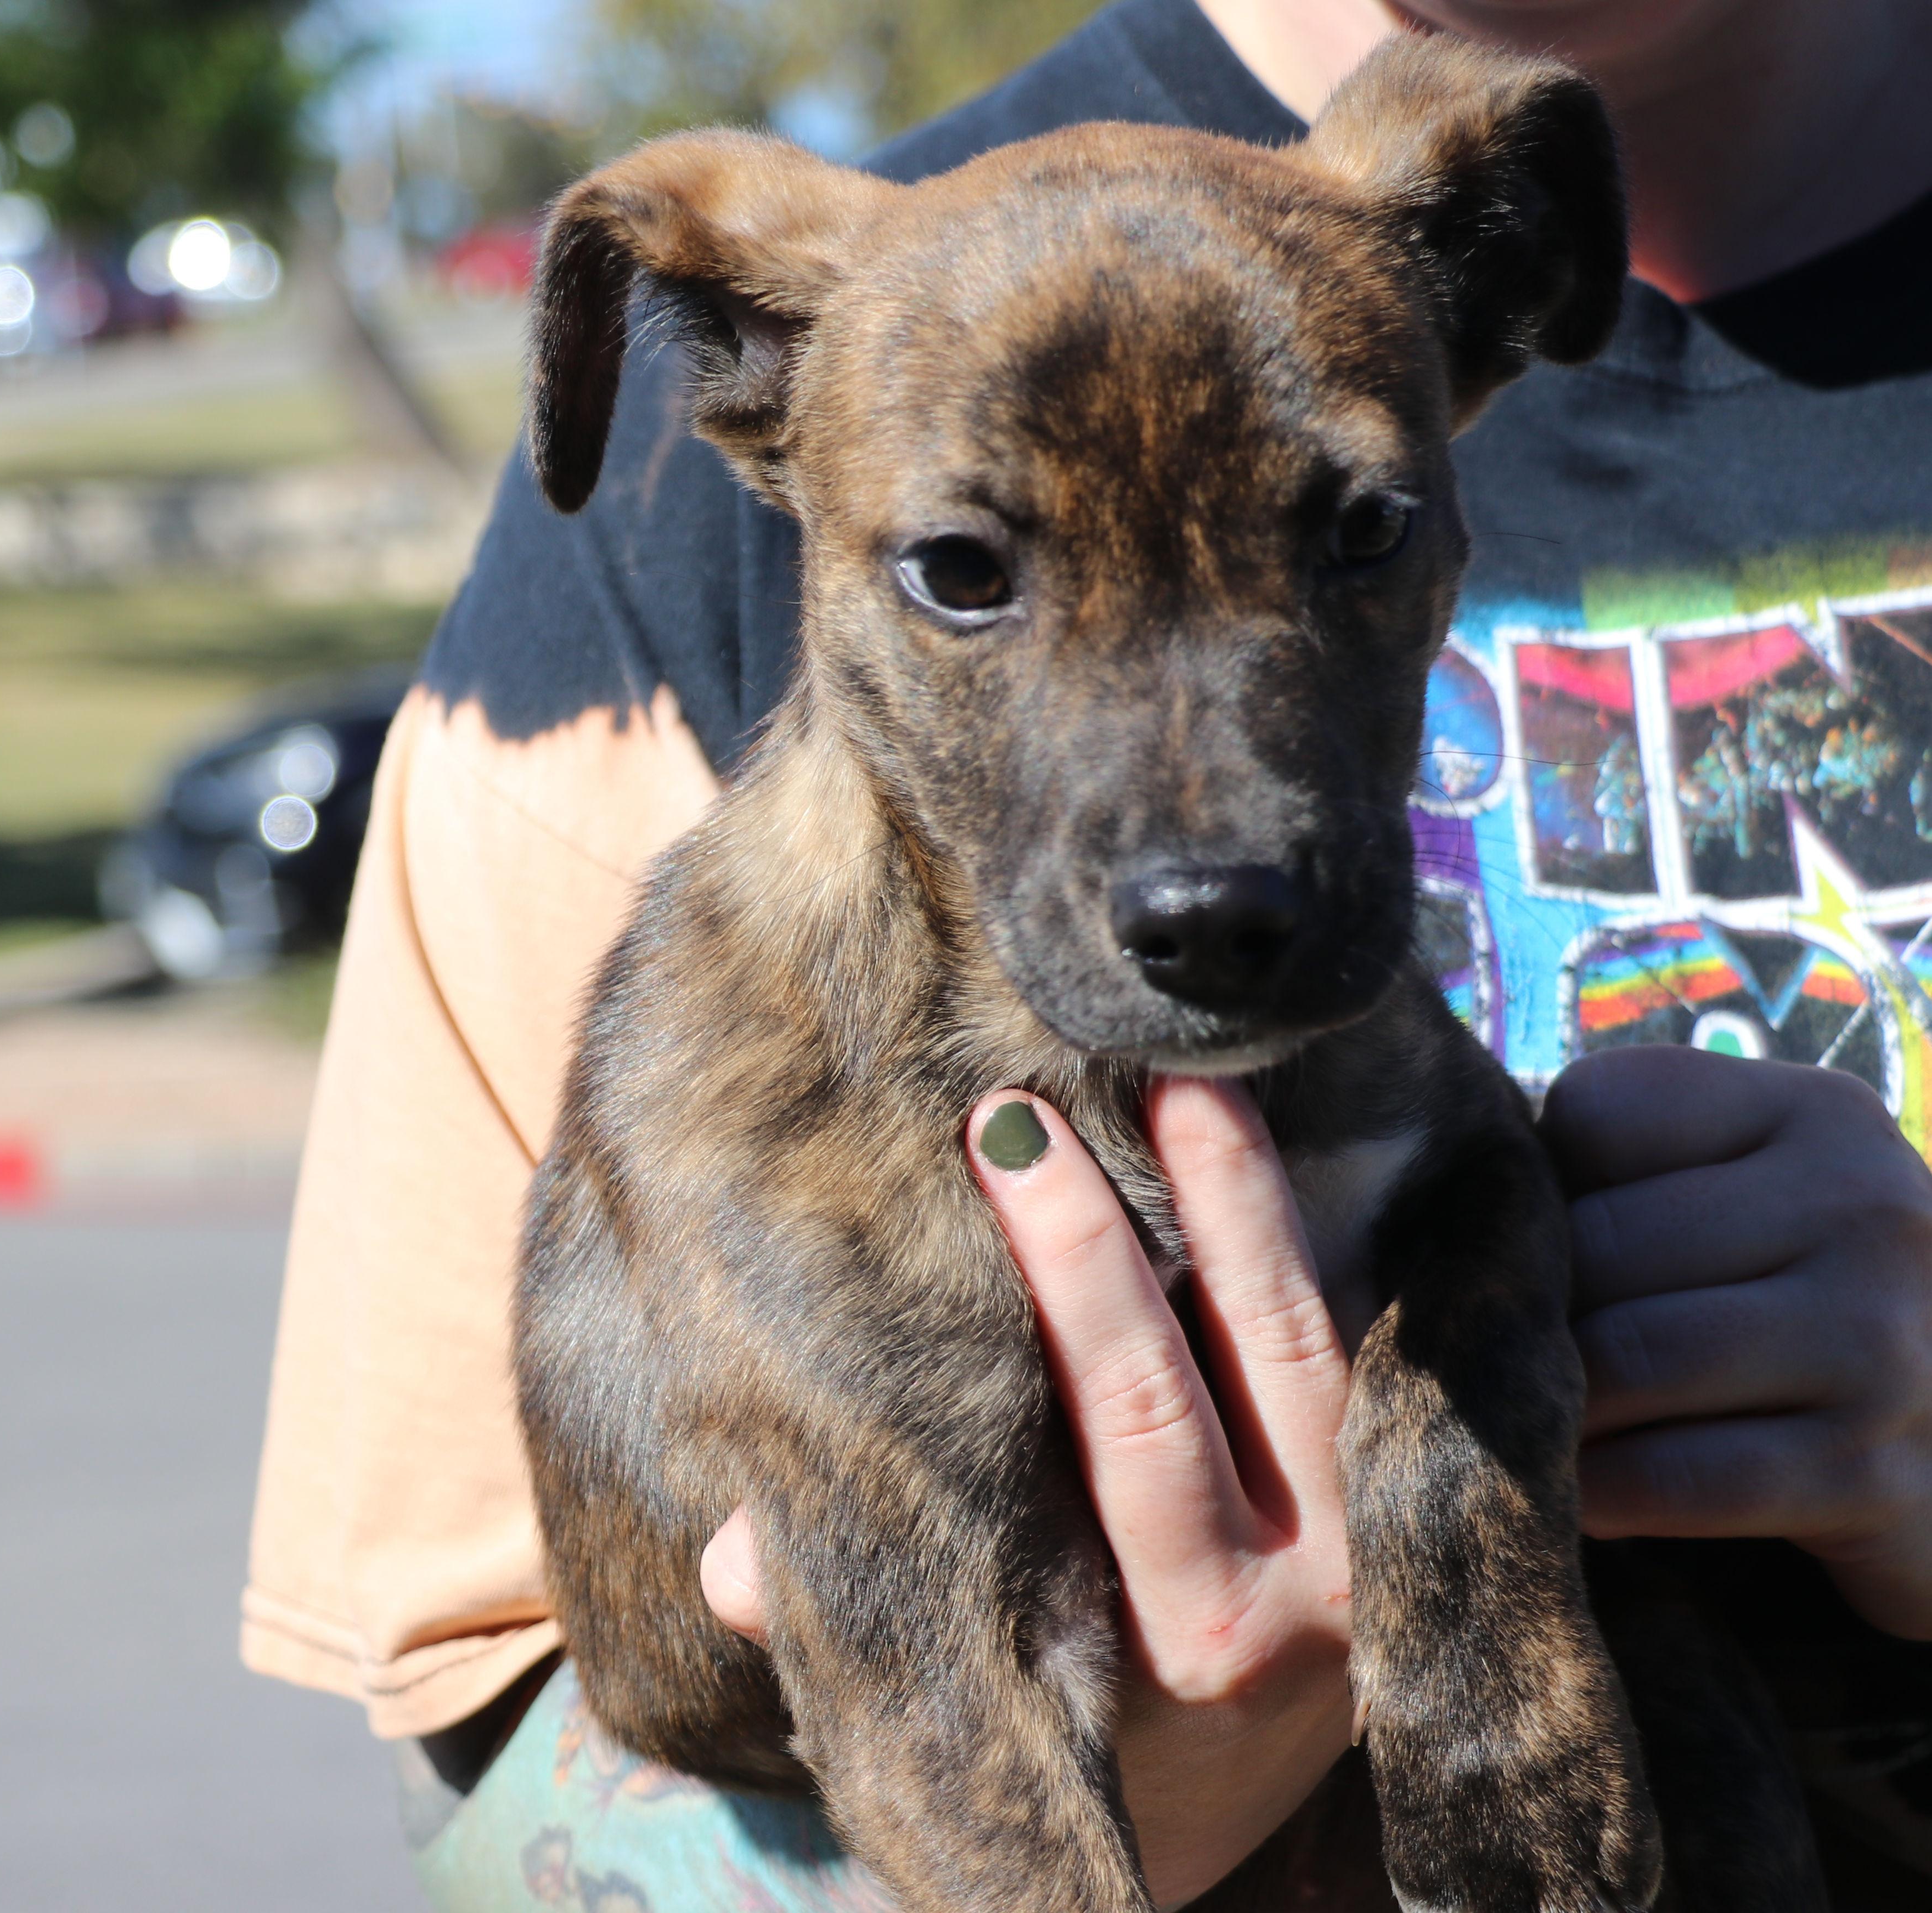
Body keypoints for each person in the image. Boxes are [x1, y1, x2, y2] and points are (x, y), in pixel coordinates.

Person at [242, 1, 1932, 1904]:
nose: (1215, 842)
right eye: (970, 573)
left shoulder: (1387, 237)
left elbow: (1470, 1198)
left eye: (1356, 539)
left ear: (1504, 287)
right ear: (734, 375)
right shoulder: (634, 630)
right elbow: (496, 1775)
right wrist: (1140, 1784)